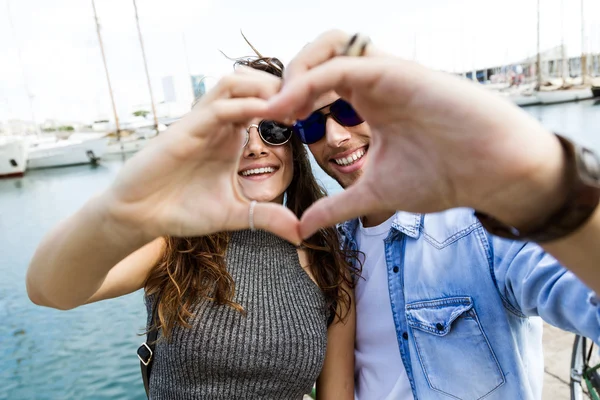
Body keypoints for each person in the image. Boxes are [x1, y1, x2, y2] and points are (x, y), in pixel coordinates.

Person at [263, 30, 600, 399]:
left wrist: (540, 178)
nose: (335, 136)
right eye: (311, 125)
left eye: (349, 108)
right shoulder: (336, 250)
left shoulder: (479, 227)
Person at [25, 55, 355, 399]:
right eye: (233, 134)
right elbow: (49, 291)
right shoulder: (173, 240)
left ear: (294, 145)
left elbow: (338, 393)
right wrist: (120, 206)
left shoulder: (327, 260)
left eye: (275, 130)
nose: (256, 147)